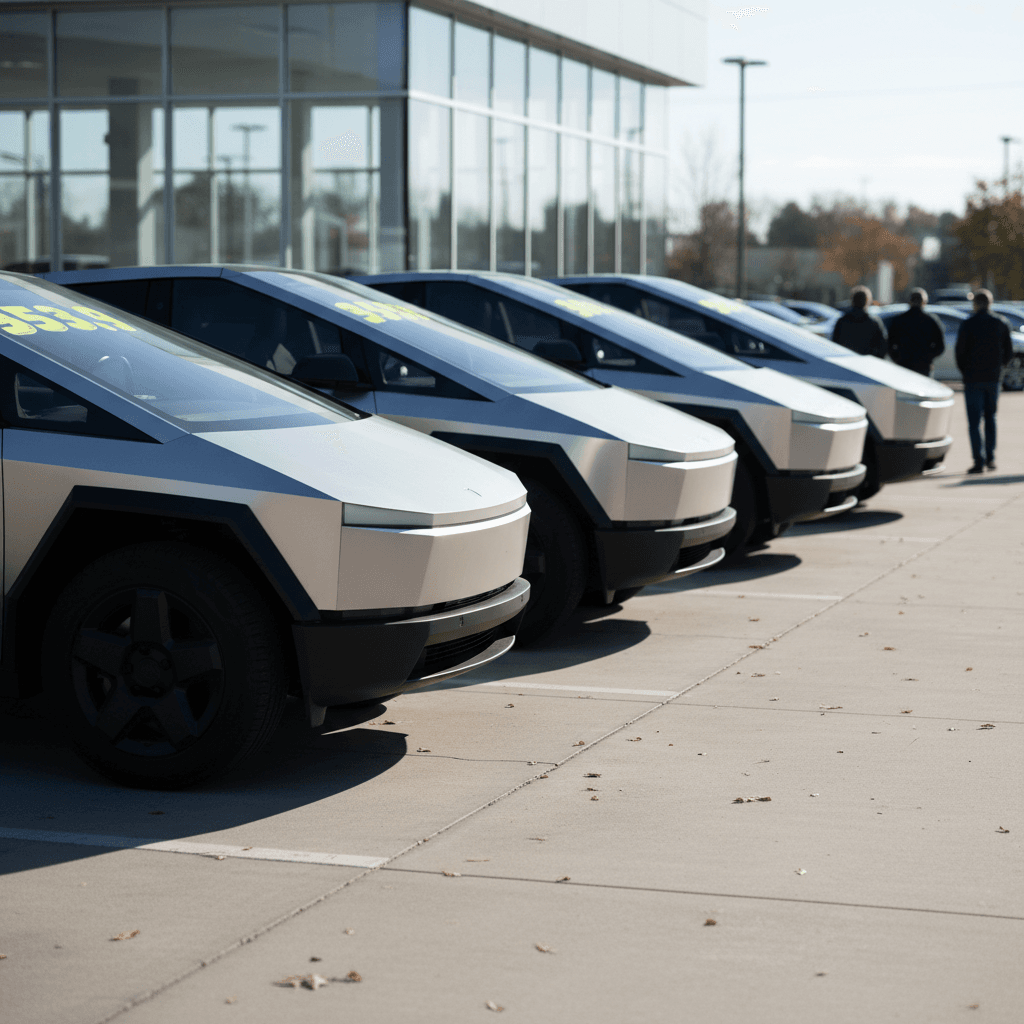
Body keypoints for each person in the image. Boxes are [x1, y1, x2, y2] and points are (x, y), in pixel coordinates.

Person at [955, 288, 1013, 473]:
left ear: (976, 304)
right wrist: (999, 369)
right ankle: (991, 457)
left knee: (974, 423)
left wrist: (965, 371)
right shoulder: (1000, 323)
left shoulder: (968, 324)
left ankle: (978, 461)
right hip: (992, 378)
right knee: (991, 418)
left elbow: (960, 352)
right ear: (990, 303)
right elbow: (1008, 352)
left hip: (973, 378)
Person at [886, 288, 945, 375]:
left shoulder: (899, 320)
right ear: (924, 302)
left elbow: (890, 344)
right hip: (923, 366)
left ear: (909, 302)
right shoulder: (930, 321)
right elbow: (940, 346)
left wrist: (897, 358)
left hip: (904, 365)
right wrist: (928, 358)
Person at [832, 285, 887, 357]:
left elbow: (834, 345)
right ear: (867, 301)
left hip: (846, 362)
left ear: (852, 301)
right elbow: (882, 347)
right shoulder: (873, 323)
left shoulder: (842, 322)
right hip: (867, 364)